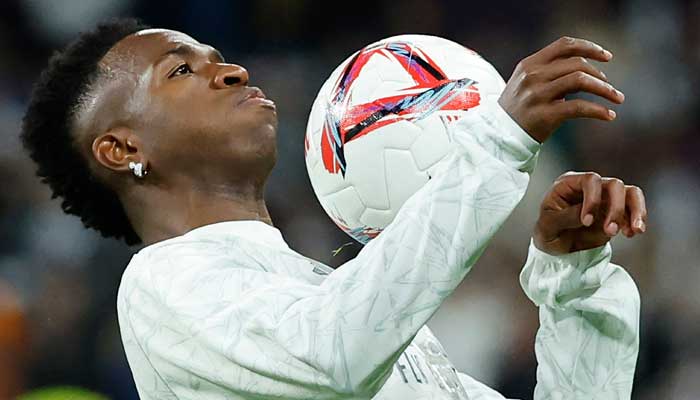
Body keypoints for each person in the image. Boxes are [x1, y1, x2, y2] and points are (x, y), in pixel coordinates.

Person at [21, 18, 647, 399]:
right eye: (181, 70)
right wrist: (497, 142)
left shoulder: (333, 299)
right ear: (121, 148)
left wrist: (574, 286)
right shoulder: (162, 287)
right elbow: (332, 357)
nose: (232, 71)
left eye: (220, 57)